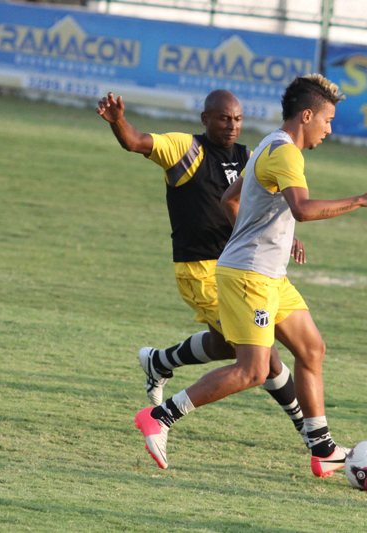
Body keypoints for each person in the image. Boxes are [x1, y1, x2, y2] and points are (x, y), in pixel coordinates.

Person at [134, 74, 367, 476]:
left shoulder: (268, 145)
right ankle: (160, 416)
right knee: (254, 369)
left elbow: (230, 198)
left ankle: (323, 448)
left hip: (270, 275)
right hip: (250, 277)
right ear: (306, 115)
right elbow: (303, 210)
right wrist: (363, 199)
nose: (330, 129)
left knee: (311, 349)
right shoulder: (286, 154)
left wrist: (258, 231)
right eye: (327, 120)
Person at [97, 90, 308, 445]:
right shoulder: (185, 149)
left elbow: (268, 207)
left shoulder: (249, 157)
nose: (232, 126)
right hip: (200, 270)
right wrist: (118, 120)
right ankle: (309, 432)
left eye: (238, 119)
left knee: (230, 347)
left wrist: (286, 237)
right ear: (205, 118)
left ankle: (160, 362)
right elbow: (135, 142)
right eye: (225, 118)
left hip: (243, 269)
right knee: (263, 357)